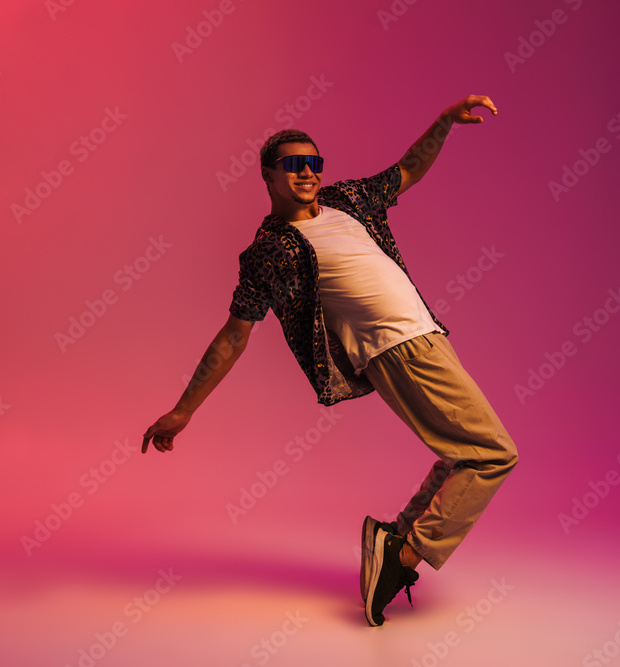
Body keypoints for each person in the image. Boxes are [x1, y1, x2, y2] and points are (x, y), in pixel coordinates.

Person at [142, 94, 519, 627]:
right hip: (395, 347)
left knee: (464, 454)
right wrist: (184, 410)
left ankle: (393, 539)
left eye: (314, 163)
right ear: (269, 176)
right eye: (293, 165)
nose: (307, 173)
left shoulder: (350, 201)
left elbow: (407, 169)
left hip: (426, 335)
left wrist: (443, 122)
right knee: (494, 453)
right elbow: (234, 334)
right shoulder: (271, 250)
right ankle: (404, 557)